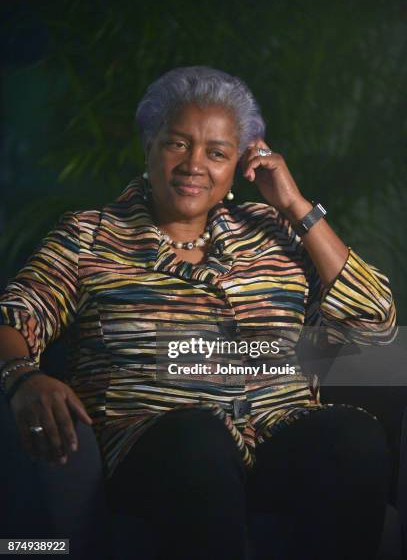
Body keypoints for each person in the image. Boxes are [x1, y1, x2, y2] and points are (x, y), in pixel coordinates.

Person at [0, 66, 397, 560]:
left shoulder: (273, 231)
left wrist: (296, 205)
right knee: (200, 439)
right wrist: (22, 376)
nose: (194, 164)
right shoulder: (91, 236)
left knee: (354, 437)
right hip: (160, 447)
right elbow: (14, 316)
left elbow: (375, 323)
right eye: (177, 143)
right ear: (148, 147)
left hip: (277, 437)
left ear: (240, 165)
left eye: (216, 152)